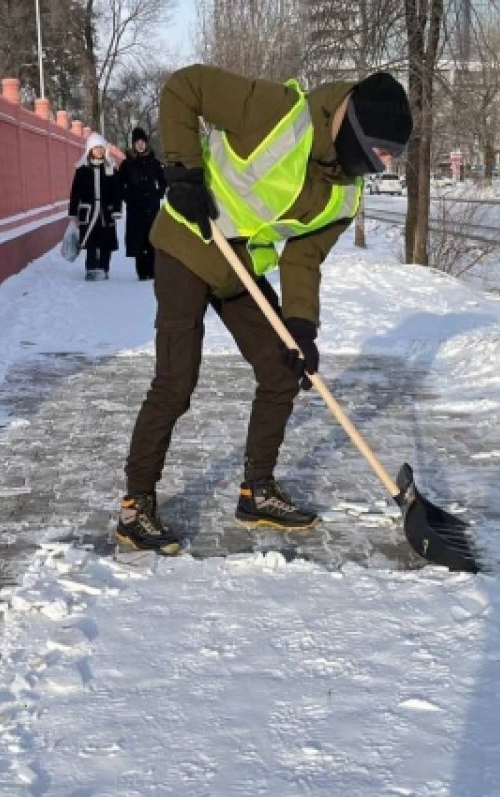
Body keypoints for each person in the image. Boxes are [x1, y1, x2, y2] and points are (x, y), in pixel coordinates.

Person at [115, 65, 413, 554]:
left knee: (282, 368)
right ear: (352, 127)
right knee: (176, 381)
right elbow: (184, 87)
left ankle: (257, 491)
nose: (380, 163)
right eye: (378, 151)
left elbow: (304, 256)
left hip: (239, 270)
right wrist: (183, 170)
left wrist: (301, 326)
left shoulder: (346, 191)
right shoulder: (276, 111)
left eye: (390, 157)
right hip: (188, 243)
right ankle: (136, 506)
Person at [68, 133, 124, 280]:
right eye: (95, 148)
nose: (98, 151)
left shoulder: (111, 168)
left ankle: (104, 268)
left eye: (100, 148)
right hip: (89, 211)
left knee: (107, 241)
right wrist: (73, 212)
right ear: (90, 150)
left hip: (106, 211)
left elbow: (118, 191)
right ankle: (91, 268)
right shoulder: (82, 170)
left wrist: (117, 209)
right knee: (91, 241)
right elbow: (75, 192)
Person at [120, 127, 167, 280]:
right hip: (136, 208)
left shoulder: (154, 162)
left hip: (152, 206)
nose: (140, 145)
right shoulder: (127, 164)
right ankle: (142, 271)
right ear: (133, 144)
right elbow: (120, 184)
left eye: (142, 142)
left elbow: (163, 180)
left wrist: (158, 194)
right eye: (137, 142)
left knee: (152, 237)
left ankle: (153, 270)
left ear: (146, 143)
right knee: (138, 239)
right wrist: (128, 198)